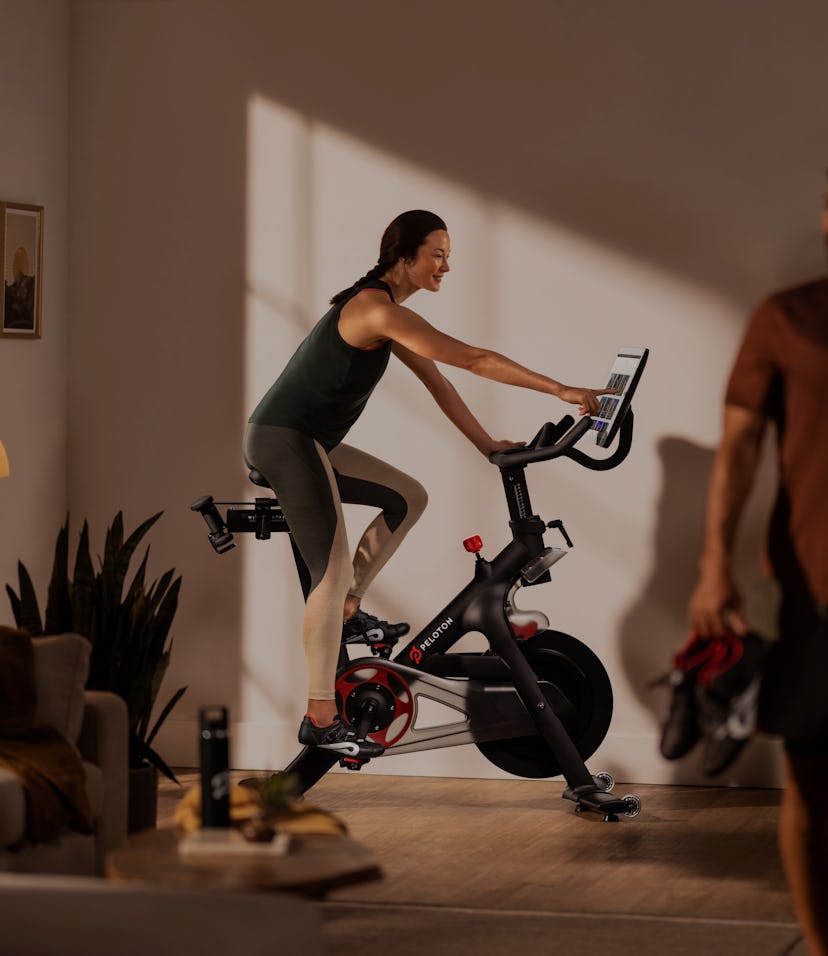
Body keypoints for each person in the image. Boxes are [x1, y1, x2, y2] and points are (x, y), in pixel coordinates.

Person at [245, 209, 612, 760]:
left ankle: (348, 604)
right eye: (437, 254)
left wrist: (488, 444)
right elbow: (473, 359)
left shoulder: (391, 316)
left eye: (448, 254)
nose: (446, 265)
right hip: (285, 438)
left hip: (308, 440)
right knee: (330, 565)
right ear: (405, 256)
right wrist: (560, 390)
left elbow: (441, 384)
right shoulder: (373, 309)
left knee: (407, 497)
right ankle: (319, 716)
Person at [688, 184, 828, 953]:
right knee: (811, 782)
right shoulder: (787, 318)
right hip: (812, 588)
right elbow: (736, 449)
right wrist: (715, 565)